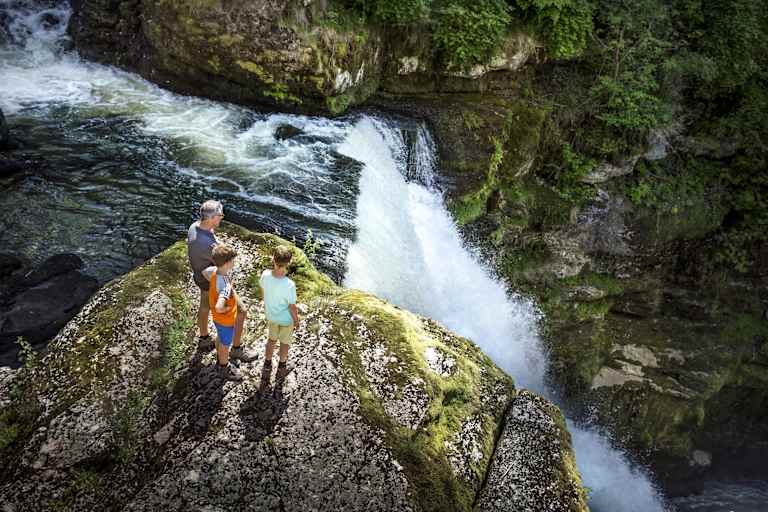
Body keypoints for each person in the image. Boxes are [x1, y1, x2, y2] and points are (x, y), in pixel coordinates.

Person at [188, 200, 257, 363]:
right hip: (213, 278)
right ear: (211, 218)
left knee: (204, 305)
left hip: (200, 276)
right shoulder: (209, 245)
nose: (222, 218)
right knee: (241, 311)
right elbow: (223, 262)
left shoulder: (194, 226)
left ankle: (204, 338)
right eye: (220, 215)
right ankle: (236, 349)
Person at [260, 245, 300, 381]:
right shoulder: (289, 284)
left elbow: (263, 292)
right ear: (289, 263)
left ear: (273, 259)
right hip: (286, 320)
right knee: (284, 343)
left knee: (271, 340)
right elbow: (292, 307)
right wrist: (296, 321)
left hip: (271, 316)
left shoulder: (265, 275)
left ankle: (267, 365)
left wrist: (266, 303)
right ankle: (282, 367)